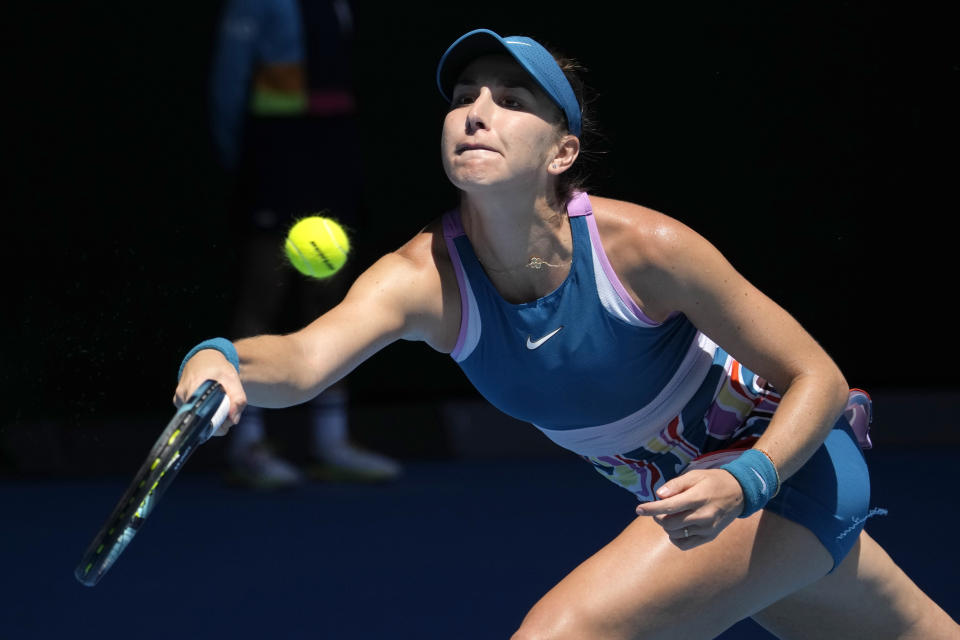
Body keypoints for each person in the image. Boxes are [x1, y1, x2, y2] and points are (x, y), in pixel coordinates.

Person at [180, 28, 958, 638]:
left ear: (563, 152)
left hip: (786, 471)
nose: (477, 110)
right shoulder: (420, 278)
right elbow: (306, 357)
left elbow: (817, 375)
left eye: (513, 99)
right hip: (693, 504)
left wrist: (744, 480)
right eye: (463, 97)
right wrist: (223, 360)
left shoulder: (645, 250)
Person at [208, 0, 400, 488]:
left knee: (330, 297)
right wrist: (247, 159)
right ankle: (247, 443)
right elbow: (228, 85)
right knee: (262, 294)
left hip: (331, 152)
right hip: (275, 152)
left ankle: (331, 440)